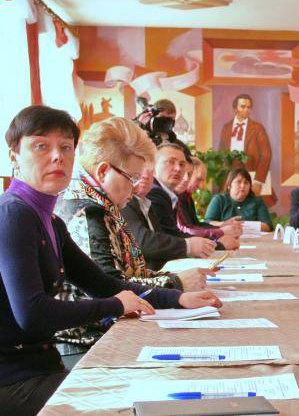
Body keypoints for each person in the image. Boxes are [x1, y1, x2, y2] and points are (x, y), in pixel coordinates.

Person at [0, 105, 221, 414]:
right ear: (14, 156)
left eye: (66, 147)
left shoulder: (50, 220)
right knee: (152, 399)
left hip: (41, 367)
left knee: (166, 389)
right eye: (41, 146)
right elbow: (32, 314)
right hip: (14, 381)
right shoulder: (13, 213)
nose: (57, 156)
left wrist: (178, 298)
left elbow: (103, 283)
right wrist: (116, 305)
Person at [54, 117, 209, 348]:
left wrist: (175, 286)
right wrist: (175, 284)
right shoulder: (87, 212)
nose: (136, 187)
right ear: (103, 171)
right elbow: (108, 288)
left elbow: (123, 275)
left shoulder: (101, 204)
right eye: (132, 178)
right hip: (91, 341)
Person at [122, 166, 217, 271]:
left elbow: (163, 237)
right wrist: (189, 246)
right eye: (139, 170)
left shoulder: (145, 202)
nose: (145, 175)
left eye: (149, 170)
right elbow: (142, 242)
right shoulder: (126, 202)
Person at [147, 143, 239, 250]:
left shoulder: (171, 195)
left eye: (182, 164)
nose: (178, 169)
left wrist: (219, 231)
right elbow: (173, 236)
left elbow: (177, 234)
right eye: (170, 162)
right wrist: (218, 242)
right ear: (153, 165)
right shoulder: (155, 193)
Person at [175, 158, 243, 239]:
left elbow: (197, 225)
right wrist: (221, 231)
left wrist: (222, 226)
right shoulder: (176, 197)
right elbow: (186, 230)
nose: (200, 186)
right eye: (198, 179)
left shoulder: (187, 197)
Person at [219, 94, 272, 196]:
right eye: (243, 107)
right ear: (235, 109)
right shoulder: (226, 128)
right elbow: (221, 153)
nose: (246, 110)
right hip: (230, 178)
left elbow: (266, 155)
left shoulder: (258, 128)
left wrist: (258, 181)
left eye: (248, 107)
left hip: (251, 176)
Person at [206, 168, 274, 232]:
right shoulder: (219, 200)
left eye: (246, 183)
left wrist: (246, 225)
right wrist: (224, 224)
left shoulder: (257, 201)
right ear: (229, 185)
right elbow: (207, 222)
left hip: (252, 239)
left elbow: (268, 226)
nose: (243, 186)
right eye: (238, 182)